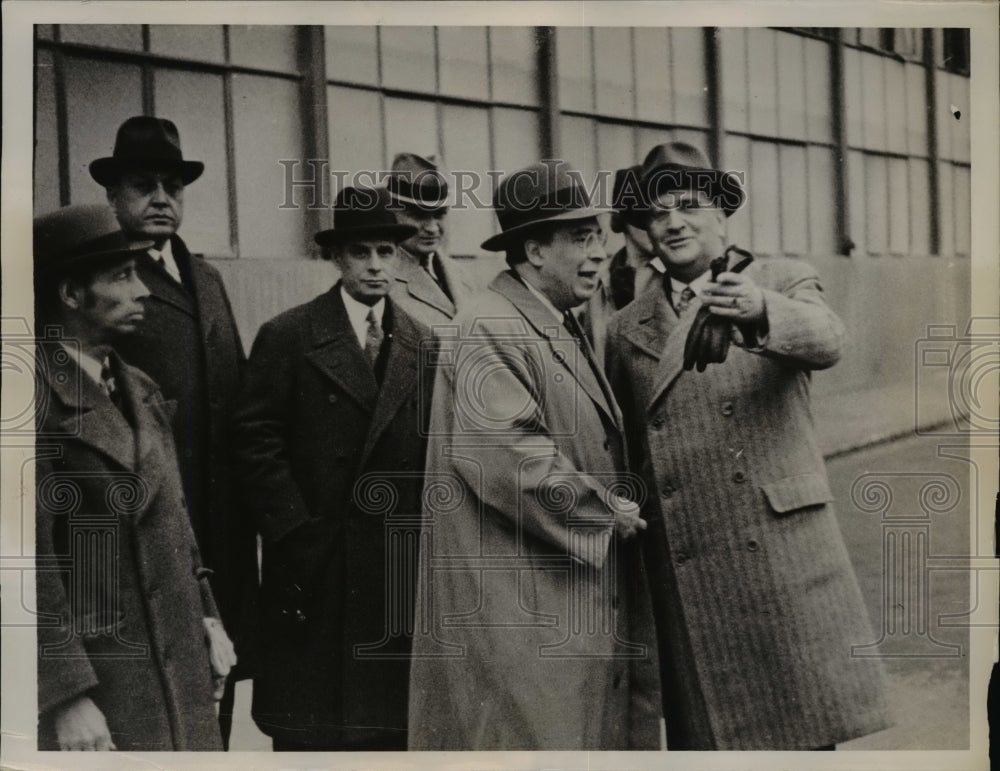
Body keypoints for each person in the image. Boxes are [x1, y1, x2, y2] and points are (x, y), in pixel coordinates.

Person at [605, 142, 891, 750]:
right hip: (690, 571)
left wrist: (761, 310)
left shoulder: (777, 280)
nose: (674, 222)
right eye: (658, 213)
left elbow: (827, 339)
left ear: (721, 215)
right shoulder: (625, 327)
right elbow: (623, 443)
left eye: (689, 206)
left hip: (781, 563)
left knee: (802, 742)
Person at [408, 160, 662, 750]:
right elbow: (511, 459)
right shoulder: (488, 325)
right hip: (520, 617)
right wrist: (606, 514)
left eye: (597, 235)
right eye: (581, 238)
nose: (599, 253)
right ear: (535, 250)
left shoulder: (546, 320)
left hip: (549, 607)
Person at [233, 186, 429, 751]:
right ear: (337, 258)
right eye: (360, 252)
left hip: (392, 572)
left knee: (386, 736)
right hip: (314, 570)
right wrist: (295, 529)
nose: (375, 265)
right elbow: (253, 441)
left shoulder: (423, 343)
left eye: (386, 252)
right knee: (313, 733)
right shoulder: (289, 335)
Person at [33, 204, 236, 751]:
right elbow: (26, 566)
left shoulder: (139, 387)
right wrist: (65, 696)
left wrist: (207, 617)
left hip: (179, 664)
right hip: (105, 687)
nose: (143, 290)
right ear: (71, 294)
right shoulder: (28, 404)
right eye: (122, 276)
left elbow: (176, 524)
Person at [89, 115, 255, 744]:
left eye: (173, 187)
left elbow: (235, 392)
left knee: (219, 677)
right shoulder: (106, 282)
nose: (161, 198)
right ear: (113, 195)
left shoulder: (205, 277)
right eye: (144, 186)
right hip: (149, 519)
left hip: (219, 526)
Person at [577, 163, 663, 363]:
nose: (655, 225)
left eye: (660, 214)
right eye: (644, 214)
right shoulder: (597, 277)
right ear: (622, 218)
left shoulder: (678, 278)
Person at [386, 152, 474, 331]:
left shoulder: (461, 275)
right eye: (419, 215)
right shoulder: (381, 279)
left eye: (440, 214)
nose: (432, 228)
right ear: (392, 213)